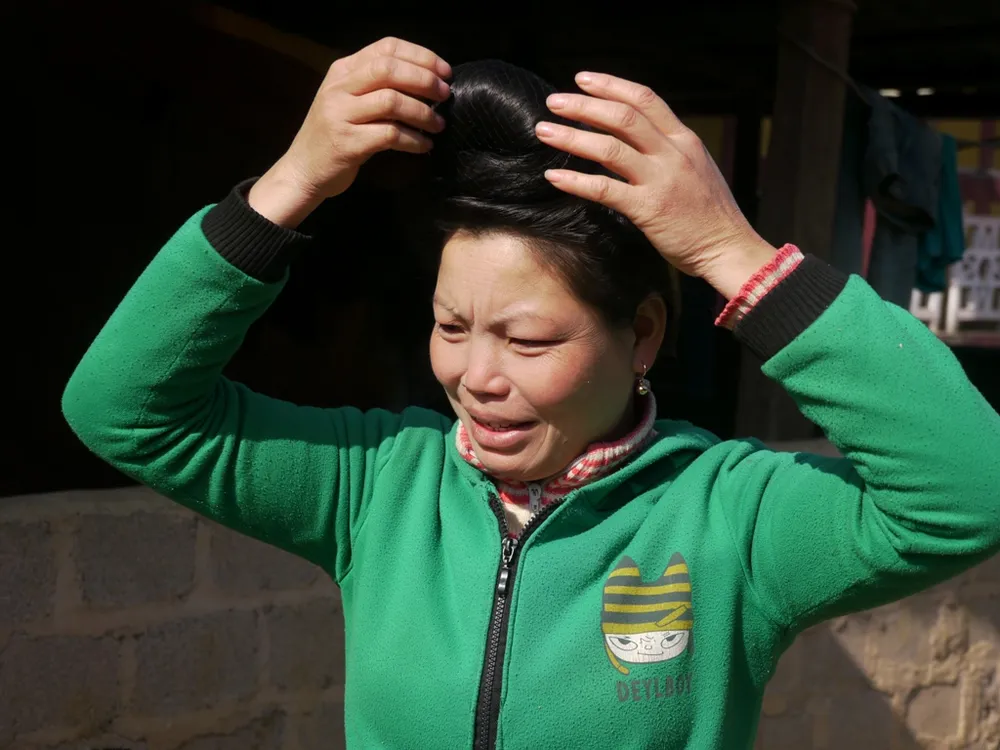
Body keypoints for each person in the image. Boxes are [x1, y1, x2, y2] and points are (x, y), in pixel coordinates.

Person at [62, 38, 1000, 750]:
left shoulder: (730, 518)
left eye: (529, 339)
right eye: (452, 326)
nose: (476, 376)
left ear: (642, 335)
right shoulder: (376, 488)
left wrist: (731, 252)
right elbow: (122, 409)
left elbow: (971, 489)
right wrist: (291, 183)